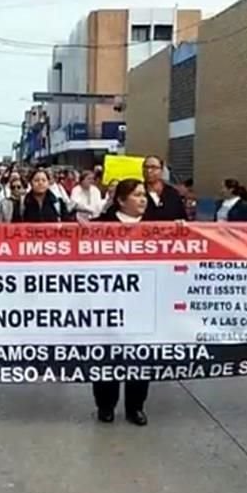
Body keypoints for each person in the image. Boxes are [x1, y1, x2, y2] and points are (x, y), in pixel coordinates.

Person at [91, 179, 152, 425]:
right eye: (137, 195)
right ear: (121, 200)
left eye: (144, 194)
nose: (143, 199)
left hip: (143, 303)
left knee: (140, 356)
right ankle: (105, 406)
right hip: (108, 302)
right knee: (106, 355)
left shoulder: (157, 226)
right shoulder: (100, 226)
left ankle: (135, 407)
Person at [142, 155, 187, 221]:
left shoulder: (173, 194)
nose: (149, 171)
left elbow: (182, 218)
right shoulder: (137, 193)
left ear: (162, 170)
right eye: (146, 167)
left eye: (153, 167)